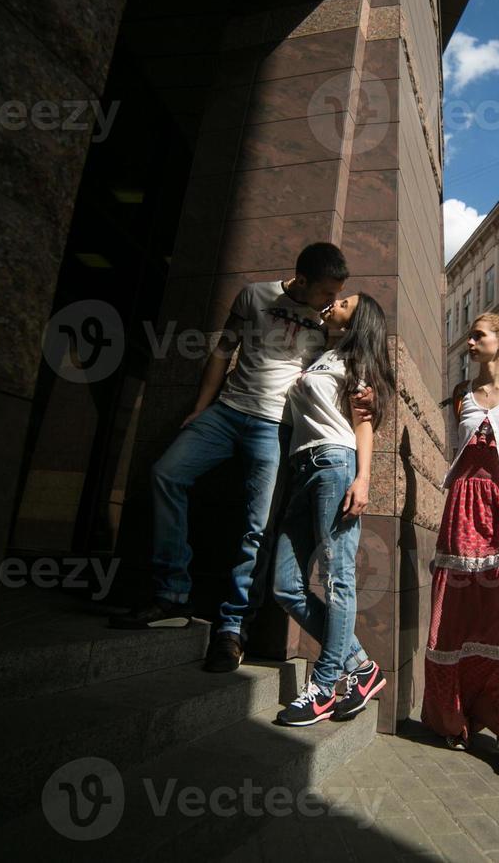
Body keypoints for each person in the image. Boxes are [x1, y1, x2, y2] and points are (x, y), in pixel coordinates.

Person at [113, 243, 368, 676]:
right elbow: (222, 350)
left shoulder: (328, 324)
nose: (330, 303)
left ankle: (232, 629)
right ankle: (172, 593)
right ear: (301, 280)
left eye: (337, 295)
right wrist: (201, 406)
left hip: (275, 427)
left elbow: (343, 371)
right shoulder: (253, 296)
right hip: (227, 411)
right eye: (326, 293)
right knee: (165, 475)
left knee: (257, 527)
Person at [422, 312, 499, 778]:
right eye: (468, 336)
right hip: (463, 506)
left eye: (477, 335)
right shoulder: (460, 396)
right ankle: (454, 717)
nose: (468, 342)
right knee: (457, 616)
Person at [270, 293, 395, 726]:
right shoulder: (322, 356)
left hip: (334, 465)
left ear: (357, 317)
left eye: (343, 301)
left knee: (338, 578)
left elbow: (365, 426)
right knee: (286, 585)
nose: (334, 302)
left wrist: (363, 479)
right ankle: (361, 666)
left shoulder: (358, 362)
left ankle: (324, 686)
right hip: (302, 468)